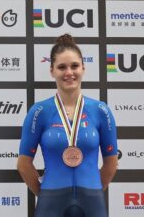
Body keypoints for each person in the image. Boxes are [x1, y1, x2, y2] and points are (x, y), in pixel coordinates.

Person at [17, 34, 118, 216]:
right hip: (51, 202)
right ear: (52, 71)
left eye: (74, 66)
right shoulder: (39, 111)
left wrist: (92, 189)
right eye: (61, 67)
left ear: (83, 68)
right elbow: (24, 164)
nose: (69, 72)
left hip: (92, 201)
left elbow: (111, 163)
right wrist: (46, 193)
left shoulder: (101, 111)